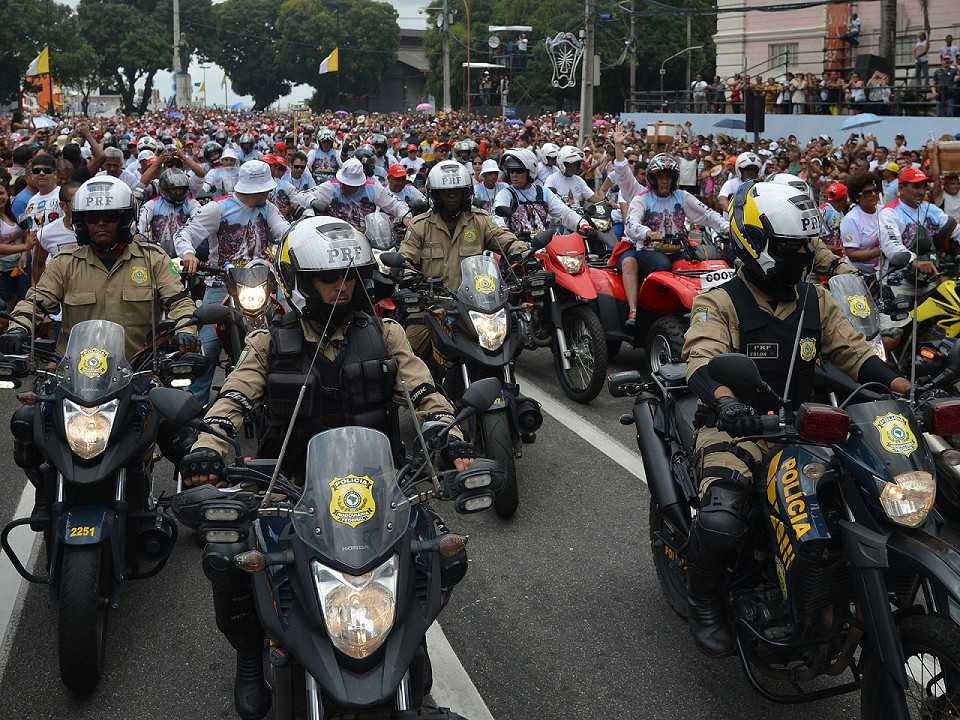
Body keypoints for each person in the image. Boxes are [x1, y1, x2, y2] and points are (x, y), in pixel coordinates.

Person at [178, 218, 473, 720]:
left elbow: (423, 390)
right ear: (300, 282)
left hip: (381, 487)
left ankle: (409, 648)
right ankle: (250, 655)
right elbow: (233, 398)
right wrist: (209, 447)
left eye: (351, 277)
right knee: (229, 562)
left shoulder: (386, 333)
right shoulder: (269, 341)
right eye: (328, 279)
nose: (343, 287)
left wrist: (448, 434)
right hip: (287, 489)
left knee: (441, 560)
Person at [681, 181, 911, 656]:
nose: (803, 258)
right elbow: (703, 360)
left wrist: (906, 390)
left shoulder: (814, 300)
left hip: (804, 426)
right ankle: (702, 598)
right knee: (724, 517)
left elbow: (853, 352)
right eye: (791, 249)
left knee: (868, 494)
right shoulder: (720, 301)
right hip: (736, 427)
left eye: (806, 248)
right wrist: (727, 402)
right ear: (756, 246)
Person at [1, 175, 198, 357]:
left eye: (110, 217)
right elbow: (35, 303)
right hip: (75, 375)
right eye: (92, 218)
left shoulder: (153, 259)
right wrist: (18, 328)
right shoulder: (64, 262)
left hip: (138, 372)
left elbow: (180, 302)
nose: (101, 224)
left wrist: (185, 330)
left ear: (125, 219)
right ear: (82, 223)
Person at [174, 160, 291, 404]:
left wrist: (298, 239)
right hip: (221, 284)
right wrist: (188, 254)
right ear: (253, 189)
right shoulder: (217, 209)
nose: (269, 192)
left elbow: (285, 231)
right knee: (207, 347)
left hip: (263, 283)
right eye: (265, 189)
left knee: (291, 328)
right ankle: (196, 408)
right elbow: (185, 234)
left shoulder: (267, 208)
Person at [400, 159, 527, 358]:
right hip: (435, 306)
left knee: (513, 335)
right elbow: (405, 258)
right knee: (411, 344)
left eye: (457, 191)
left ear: (466, 193)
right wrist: (406, 274)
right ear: (435, 194)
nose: (452, 196)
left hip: (476, 307)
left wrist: (521, 251)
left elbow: (503, 238)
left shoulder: (480, 219)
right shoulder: (420, 225)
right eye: (446, 192)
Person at [622, 153, 729, 328]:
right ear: (653, 179)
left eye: (669, 177)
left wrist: (728, 228)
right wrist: (648, 232)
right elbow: (630, 224)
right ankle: (654, 313)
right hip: (649, 251)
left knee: (700, 266)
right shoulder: (641, 199)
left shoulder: (682, 196)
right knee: (662, 265)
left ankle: (699, 311)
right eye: (660, 177)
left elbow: (707, 214)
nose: (665, 181)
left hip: (679, 249)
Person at [879, 166, 960, 277]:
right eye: (916, 187)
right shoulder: (889, 213)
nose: (922, 192)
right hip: (898, 279)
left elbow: (956, 231)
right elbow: (892, 245)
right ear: (901, 188)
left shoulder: (930, 208)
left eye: (924, 187)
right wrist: (914, 261)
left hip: (932, 275)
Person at [293, 157, 412, 232]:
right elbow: (300, 196)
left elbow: (395, 203)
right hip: (338, 236)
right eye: (344, 183)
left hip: (368, 237)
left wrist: (406, 217)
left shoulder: (372, 186)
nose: (346, 187)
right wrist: (313, 201)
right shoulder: (331, 186)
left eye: (351, 185)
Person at [493, 148, 591, 237]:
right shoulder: (505, 194)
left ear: (530, 171)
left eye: (518, 171)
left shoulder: (543, 192)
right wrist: (501, 227)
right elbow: (496, 216)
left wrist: (581, 223)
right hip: (517, 247)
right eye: (511, 171)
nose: (514, 175)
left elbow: (564, 212)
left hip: (544, 244)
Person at [137, 168, 200, 257]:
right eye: (174, 189)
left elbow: (199, 220)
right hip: (158, 256)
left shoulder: (192, 204)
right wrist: (139, 235)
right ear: (165, 189)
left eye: (181, 189)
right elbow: (140, 223)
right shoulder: (152, 205)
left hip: (187, 255)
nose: (178, 193)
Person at [544, 146, 603, 221]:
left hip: (576, 220)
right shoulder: (552, 179)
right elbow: (545, 201)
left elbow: (593, 198)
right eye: (572, 164)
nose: (575, 167)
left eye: (577, 164)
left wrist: (606, 202)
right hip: (557, 222)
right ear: (563, 164)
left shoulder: (579, 180)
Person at [840, 173, 883, 274]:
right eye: (867, 192)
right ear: (857, 197)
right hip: (861, 273)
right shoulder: (850, 219)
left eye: (876, 191)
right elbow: (852, 254)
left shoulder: (884, 211)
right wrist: (881, 251)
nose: (873, 194)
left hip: (883, 270)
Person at [819, 181, 848, 256]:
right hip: (825, 253)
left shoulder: (840, 212)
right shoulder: (824, 210)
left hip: (838, 252)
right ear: (844, 198)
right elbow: (816, 234)